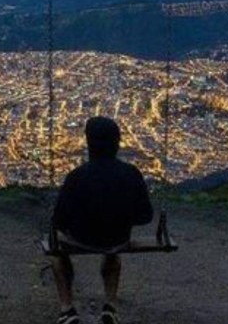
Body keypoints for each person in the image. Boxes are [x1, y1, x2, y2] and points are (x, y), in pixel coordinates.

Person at [50, 116, 153, 324]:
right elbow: (146, 216)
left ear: (88, 144)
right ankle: (110, 306)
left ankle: (67, 309)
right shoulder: (131, 174)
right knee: (112, 252)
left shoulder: (76, 177)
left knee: (56, 250)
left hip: (81, 239)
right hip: (118, 238)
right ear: (117, 143)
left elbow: (58, 221)